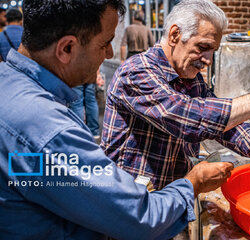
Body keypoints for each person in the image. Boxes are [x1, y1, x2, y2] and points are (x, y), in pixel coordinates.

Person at [0, 0, 234, 239]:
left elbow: (43, 174)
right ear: (67, 48)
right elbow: (141, 218)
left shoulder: (10, 86)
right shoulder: (47, 130)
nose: (110, 53)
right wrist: (192, 183)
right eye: (105, 44)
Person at [101, 0, 250, 190]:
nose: (207, 60)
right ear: (175, 35)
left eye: (212, 51)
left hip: (169, 199)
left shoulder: (189, 76)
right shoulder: (136, 72)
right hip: (130, 203)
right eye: (202, 47)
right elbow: (189, 118)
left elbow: (219, 123)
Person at [69, 69, 103, 139]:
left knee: (77, 102)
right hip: (90, 71)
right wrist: (98, 73)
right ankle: (94, 132)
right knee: (91, 101)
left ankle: (79, 132)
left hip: (76, 70)